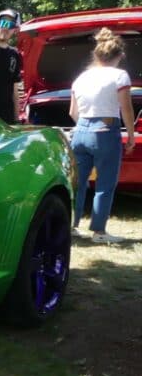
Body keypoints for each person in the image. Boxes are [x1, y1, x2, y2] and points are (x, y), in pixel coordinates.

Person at [68, 27, 137, 243]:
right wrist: (132, 135)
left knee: (78, 184)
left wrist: (86, 125)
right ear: (119, 56)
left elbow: (72, 112)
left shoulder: (81, 77)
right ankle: (98, 231)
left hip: (80, 132)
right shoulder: (120, 76)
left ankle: (71, 226)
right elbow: (126, 109)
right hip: (106, 132)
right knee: (105, 183)